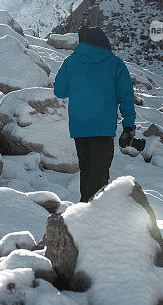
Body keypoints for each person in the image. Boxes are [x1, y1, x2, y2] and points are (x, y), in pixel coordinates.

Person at [53, 25, 136, 202]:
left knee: (87, 171)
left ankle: (84, 212)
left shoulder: (71, 62)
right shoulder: (115, 63)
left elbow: (60, 91)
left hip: (80, 127)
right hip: (103, 127)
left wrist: (73, 70)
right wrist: (129, 125)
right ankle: (91, 213)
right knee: (99, 173)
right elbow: (126, 97)